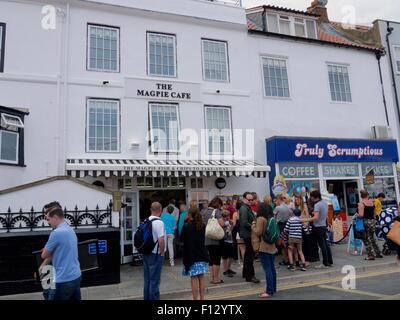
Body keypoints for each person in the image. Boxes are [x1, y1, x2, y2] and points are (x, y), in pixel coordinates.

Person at [41, 204, 81, 300]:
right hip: (75, 276)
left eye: (48, 219)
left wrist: (47, 251)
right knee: (46, 291)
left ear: (55, 217)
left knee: (48, 294)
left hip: (62, 279)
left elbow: (44, 255)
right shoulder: (70, 230)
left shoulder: (56, 233)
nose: (48, 222)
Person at [180, 202, 209, 300]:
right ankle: (202, 299)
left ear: (189, 214)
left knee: (193, 279)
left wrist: (184, 222)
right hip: (202, 254)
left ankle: (195, 299)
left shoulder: (186, 226)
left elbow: (181, 239)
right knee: (201, 278)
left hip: (191, 256)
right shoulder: (202, 225)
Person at [251, 203, 277, 298]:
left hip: (264, 247)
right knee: (272, 269)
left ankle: (269, 291)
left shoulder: (261, 219)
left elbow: (258, 231)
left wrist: (253, 225)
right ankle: (273, 288)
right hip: (271, 247)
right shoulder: (270, 218)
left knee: (268, 270)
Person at [302, 190, 333, 268]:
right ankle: (329, 261)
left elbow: (315, 217)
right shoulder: (325, 203)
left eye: (311, 197)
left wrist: (304, 220)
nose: (310, 198)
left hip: (318, 227)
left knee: (322, 245)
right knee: (326, 245)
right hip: (323, 226)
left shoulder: (317, 205)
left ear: (314, 197)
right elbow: (324, 215)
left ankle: (325, 263)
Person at [142, 202, 165, 300]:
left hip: (146, 253)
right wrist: (162, 251)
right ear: (160, 210)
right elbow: (161, 240)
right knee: (154, 281)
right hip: (155, 254)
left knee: (147, 280)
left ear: (151, 210)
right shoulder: (159, 222)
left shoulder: (145, 220)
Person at [201, 197, 225, 284]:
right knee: (216, 259)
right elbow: (221, 223)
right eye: (220, 205)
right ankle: (216, 279)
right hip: (215, 238)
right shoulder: (216, 211)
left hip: (207, 237)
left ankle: (212, 278)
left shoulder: (204, 211)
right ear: (218, 204)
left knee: (211, 259)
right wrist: (225, 221)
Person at [239, 192, 260, 283]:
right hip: (247, 234)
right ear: (244, 199)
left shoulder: (246, 207)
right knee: (250, 256)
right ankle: (250, 276)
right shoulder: (244, 208)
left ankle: (246, 274)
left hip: (247, 234)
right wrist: (253, 226)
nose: (251, 201)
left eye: (252, 200)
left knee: (248, 254)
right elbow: (244, 222)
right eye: (249, 200)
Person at [358, 190, 383, 260]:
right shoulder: (372, 202)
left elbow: (361, 215)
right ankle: (378, 253)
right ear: (367, 195)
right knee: (372, 238)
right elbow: (374, 213)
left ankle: (370, 255)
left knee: (366, 239)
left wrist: (357, 215)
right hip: (373, 222)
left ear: (361, 196)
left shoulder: (361, 204)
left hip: (366, 222)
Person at [274, 195, 293, 266]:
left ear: (279, 200)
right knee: (287, 242)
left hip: (280, 226)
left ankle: (286, 260)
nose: (276, 202)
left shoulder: (277, 208)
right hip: (287, 225)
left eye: (276, 200)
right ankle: (291, 258)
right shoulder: (288, 207)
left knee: (282, 244)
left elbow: (273, 217)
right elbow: (291, 215)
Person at [221, 210, 235, 278]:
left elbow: (230, 230)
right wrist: (227, 223)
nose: (228, 217)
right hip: (224, 241)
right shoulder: (222, 222)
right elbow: (223, 228)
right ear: (223, 217)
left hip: (230, 240)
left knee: (231, 256)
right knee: (225, 257)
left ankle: (228, 268)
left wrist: (231, 225)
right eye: (226, 216)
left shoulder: (229, 222)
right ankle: (225, 270)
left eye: (228, 216)